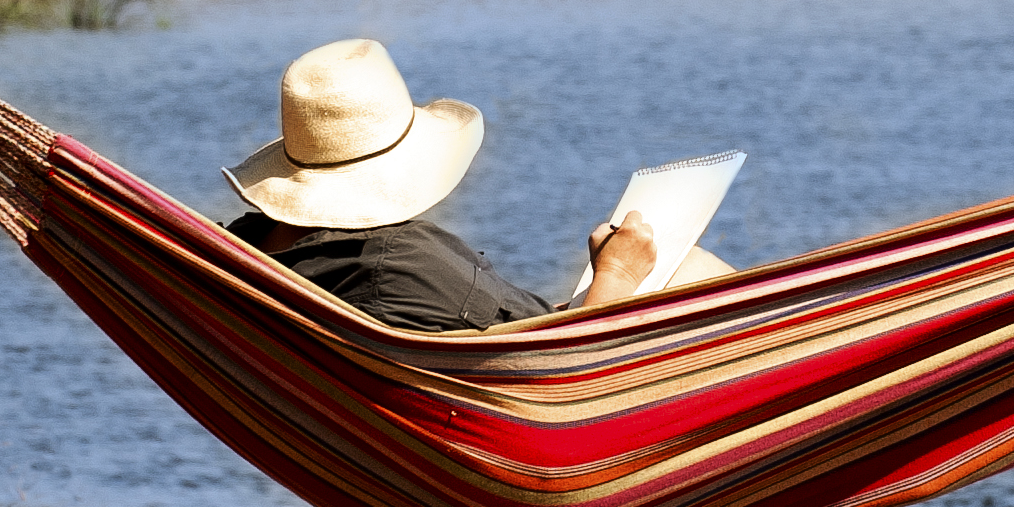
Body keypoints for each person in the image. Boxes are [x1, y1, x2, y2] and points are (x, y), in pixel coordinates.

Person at [222, 37, 676, 331]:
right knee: (691, 271)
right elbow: (565, 373)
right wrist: (617, 274)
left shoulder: (240, 255)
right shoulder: (400, 263)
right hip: (552, 389)